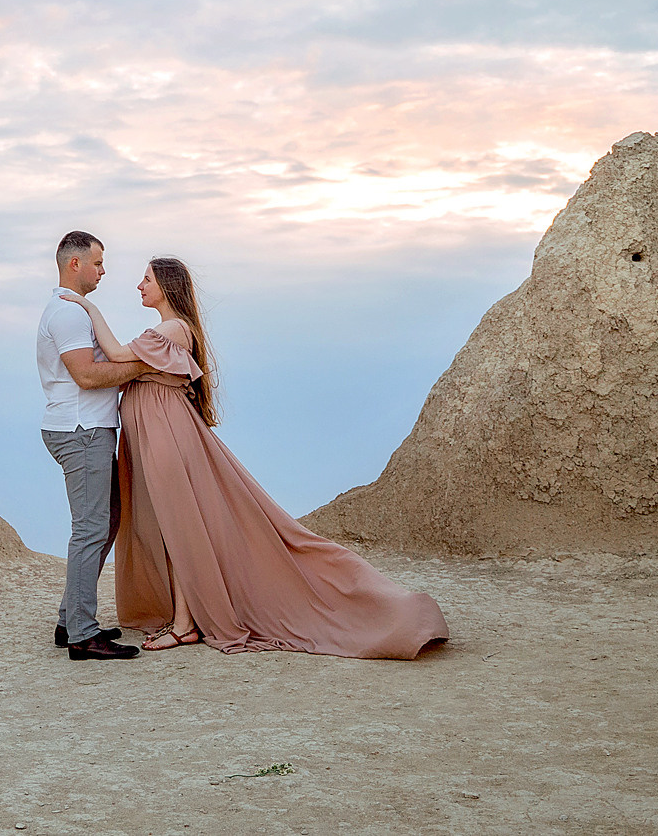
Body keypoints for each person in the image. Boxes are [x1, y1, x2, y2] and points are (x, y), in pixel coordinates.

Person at [59, 256, 449, 659]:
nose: (139, 286)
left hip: (168, 439)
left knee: (181, 528)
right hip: (159, 437)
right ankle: (183, 619)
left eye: (146, 279)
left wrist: (89, 308)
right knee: (176, 528)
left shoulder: (172, 329)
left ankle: (184, 624)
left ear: (167, 287)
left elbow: (118, 355)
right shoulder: (168, 330)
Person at [36, 230, 146, 660]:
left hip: (88, 428)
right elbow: (86, 376)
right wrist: (143, 366)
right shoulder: (66, 315)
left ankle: (71, 620)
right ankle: (83, 634)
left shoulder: (74, 312)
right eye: (98, 263)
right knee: (90, 529)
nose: (104, 271)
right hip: (80, 430)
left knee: (107, 520)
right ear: (74, 264)